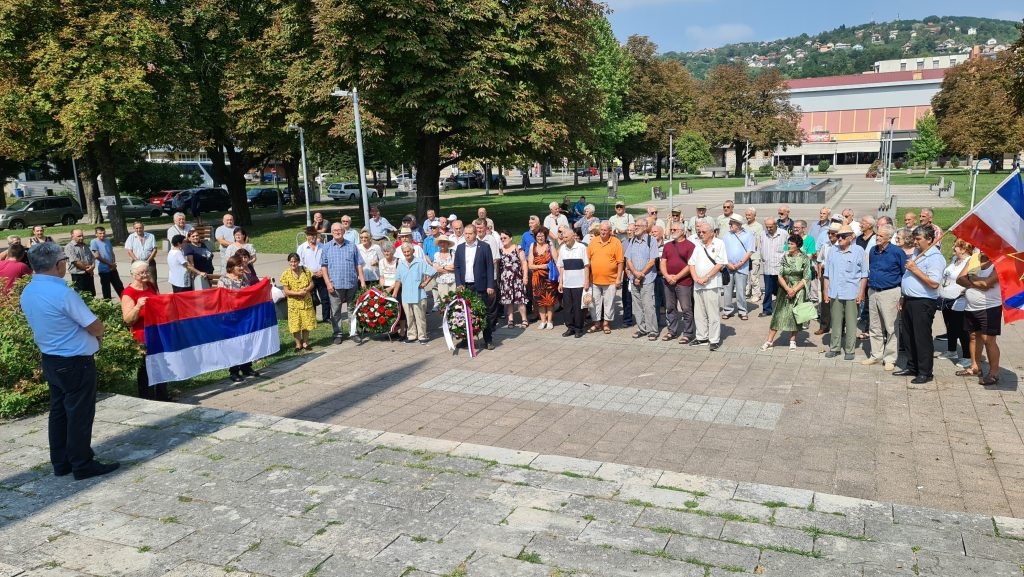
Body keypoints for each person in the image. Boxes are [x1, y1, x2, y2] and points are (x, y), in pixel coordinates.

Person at [22, 242, 118, 480]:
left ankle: (61, 462)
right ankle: (82, 463)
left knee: (59, 412)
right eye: (64, 261)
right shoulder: (62, 293)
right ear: (58, 265)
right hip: (75, 361)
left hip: (51, 358)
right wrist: (99, 335)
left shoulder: (29, 290)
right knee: (79, 414)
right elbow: (94, 325)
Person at [893, 226, 945, 384]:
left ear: (929, 239)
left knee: (921, 337)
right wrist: (904, 295)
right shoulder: (917, 252)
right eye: (914, 239)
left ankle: (925, 372)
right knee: (908, 336)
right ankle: (912, 366)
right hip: (909, 299)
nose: (915, 242)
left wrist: (915, 270)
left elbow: (934, 283)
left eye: (918, 239)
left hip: (923, 301)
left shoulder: (935, 258)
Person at [121, 260, 171, 401]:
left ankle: (162, 396)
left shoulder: (150, 285)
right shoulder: (128, 293)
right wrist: (138, 306)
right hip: (141, 336)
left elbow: (158, 303)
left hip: (156, 332)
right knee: (146, 368)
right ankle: (146, 398)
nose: (145, 275)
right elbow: (128, 320)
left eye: (147, 271)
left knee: (161, 364)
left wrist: (165, 300)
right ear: (133, 274)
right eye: (142, 273)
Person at [861, 224, 906, 370]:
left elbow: (904, 274)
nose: (877, 238)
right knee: (874, 326)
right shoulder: (873, 250)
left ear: (889, 237)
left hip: (890, 292)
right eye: (877, 235)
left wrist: (902, 296)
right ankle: (876, 355)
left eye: (881, 235)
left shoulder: (897, 252)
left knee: (891, 327)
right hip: (873, 291)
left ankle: (890, 358)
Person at [759, 233, 812, 351]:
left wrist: (794, 290)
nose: (789, 245)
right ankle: (769, 341)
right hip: (784, 289)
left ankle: (793, 341)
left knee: (795, 315)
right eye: (788, 243)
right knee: (778, 315)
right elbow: (780, 275)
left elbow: (806, 277)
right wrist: (788, 289)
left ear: (798, 245)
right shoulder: (785, 257)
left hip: (799, 290)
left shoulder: (804, 258)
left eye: (791, 243)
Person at [956, 251, 1002, 385]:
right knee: (973, 337)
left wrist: (970, 278)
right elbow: (959, 279)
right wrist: (977, 281)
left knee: (988, 340)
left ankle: (994, 373)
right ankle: (975, 367)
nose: (982, 249)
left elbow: (987, 283)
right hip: (971, 307)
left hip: (990, 307)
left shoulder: (999, 262)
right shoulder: (974, 259)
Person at [823, 225, 867, 360]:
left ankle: (850, 350)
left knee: (851, 323)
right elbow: (827, 274)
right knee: (836, 322)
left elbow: (864, 275)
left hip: (852, 292)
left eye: (842, 236)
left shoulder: (859, 250)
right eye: (838, 236)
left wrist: (861, 293)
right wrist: (825, 291)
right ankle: (834, 348)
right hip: (835, 292)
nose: (839, 239)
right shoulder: (833, 250)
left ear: (850, 237)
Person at [321, 222, 366, 345]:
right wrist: (328, 283)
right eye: (335, 230)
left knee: (353, 310)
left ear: (344, 231)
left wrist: (362, 281)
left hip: (351, 284)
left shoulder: (352, 246)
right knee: (336, 311)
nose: (337, 232)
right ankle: (338, 334)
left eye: (339, 230)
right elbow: (324, 267)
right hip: (334, 285)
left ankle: (353, 333)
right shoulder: (326, 247)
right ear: (331, 232)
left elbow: (358, 264)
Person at [454, 223, 498, 350]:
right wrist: (459, 283)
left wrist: (490, 285)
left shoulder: (484, 247)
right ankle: (466, 339)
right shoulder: (460, 248)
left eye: (470, 234)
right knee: (465, 313)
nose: (467, 236)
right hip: (465, 286)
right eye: (466, 234)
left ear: (475, 234)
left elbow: (490, 267)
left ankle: (488, 339)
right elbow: (457, 267)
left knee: (483, 313)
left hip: (480, 285)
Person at [218, 255, 261, 382]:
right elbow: (222, 299)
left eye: (243, 265)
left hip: (244, 315)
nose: (242, 268)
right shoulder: (223, 280)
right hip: (230, 317)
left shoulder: (244, 278)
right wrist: (238, 294)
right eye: (239, 266)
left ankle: (246, 367)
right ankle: (234, 371)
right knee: (234, 344)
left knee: (247, 341)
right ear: (231, 267)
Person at [687, 222, 726, 350]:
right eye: (699, 232)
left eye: (703, 232)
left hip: (712, 284)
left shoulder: (719, 243)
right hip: (698, 284)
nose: (701, 234)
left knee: (713, 313)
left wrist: (706, 277)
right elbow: (691, 263)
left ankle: (714, 339)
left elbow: (720, 264)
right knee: (699, 313)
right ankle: (701, 337)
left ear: (711, 233)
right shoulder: (698, 245)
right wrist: (695, 278)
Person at [938, 239, 973, 366]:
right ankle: (951, 350)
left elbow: (971, 279)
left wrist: (966, 290)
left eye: (956, 246)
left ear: (964, 249)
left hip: (959, 300)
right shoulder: (954, 259)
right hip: (946, 299)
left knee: (961, 329)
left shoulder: (970, 262)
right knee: (950, 326)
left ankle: (967, 356)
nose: (953, 247)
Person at [660, 221, 695, 343]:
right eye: (671, 230)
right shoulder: (668, 245)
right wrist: (667, 276)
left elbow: (690, 265)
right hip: (668, 281)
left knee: (686, 308)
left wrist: (677, 277)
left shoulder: (690, 246)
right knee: (670, 307)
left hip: (684, 282)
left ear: (683, 231)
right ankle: (672, 331)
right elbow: (663, 262)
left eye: (675, 230)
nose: (672, 231)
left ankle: (688, 333)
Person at [392, 243, 434, 344]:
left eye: (408, 251)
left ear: (413, 251)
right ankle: (412, 335)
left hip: (418, 294)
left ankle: (422, 336)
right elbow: (398, 280)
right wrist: (395, 293)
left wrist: (425, 282)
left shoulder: (420, 262)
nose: (407, 254)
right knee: (409, 317)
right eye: (405, 252)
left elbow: (432, 272)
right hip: (406, 295)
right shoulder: (401, 264)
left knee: (420, 317)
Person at [587, 222, 624, 335]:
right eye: (601, 230)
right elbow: (588, 260)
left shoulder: (616, 242)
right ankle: (597, 323)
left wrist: (618, 278)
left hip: (611, 280)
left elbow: (620, 262)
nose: (603, 232)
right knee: (594, 303)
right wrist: (587, 278)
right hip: (594, 279)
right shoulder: (593, 241)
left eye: (605, 230)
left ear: (610, 231)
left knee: (609, 303)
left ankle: (606, 324)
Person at [624, 219, 658, 340]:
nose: (636, 228)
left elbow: (652, 261)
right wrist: (635, 273)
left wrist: (641, 274)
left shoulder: (651, 240)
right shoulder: (632, 240)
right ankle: (641, 329)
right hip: (634, 279)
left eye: (638, 226)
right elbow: (628, 259)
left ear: (645, 227)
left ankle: (652, 330)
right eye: (635, 225)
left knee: (648, 305)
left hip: (647, 279)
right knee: (637, 306)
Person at [555, 224, 590, 338]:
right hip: (567, 283)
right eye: (563, 237)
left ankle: (579, 328)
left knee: (578, 307)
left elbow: (586, 265)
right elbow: (561, 266)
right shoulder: (563, 249)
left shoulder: (581, 247)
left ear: (573, 237)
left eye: (566, 237)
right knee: (568, 307)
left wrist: (586, 281)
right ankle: (570, 327)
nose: (564, 239)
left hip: (579, 283)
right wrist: (561, 282)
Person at [280, 252, 316, 352]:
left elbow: (312, 284)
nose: (293, 264)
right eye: (291, 262)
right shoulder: (286, 274)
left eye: (295, 261)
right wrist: (298, 293)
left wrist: (306, 290)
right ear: (288, 262)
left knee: (306, 322)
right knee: (295, 324)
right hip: (293, 304)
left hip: (306, 302)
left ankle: (305, 343)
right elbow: (286, 291)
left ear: (299, 261)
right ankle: (298, 344)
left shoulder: (306, 271)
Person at [720, 214, 754, 321]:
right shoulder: (726, 235)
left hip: (742, 267)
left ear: (738, 224)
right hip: (728, 267)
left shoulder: (748, 234)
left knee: (740, 290)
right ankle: (727, 310)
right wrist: (727, 264)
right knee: (727, 290)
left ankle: (742, 311)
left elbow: (750, 251)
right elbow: (722, 251)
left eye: (732, 223)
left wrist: (740, 263)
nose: (730, 225)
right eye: (730, 223)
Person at [528, 227, 558, 330]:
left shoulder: (550, 245)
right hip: (537, 278)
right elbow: (530, 265)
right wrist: (543, 266)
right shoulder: (533, 246)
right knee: (540, 301)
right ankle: (543, 321)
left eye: (542, 236)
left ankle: (550, 321)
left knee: (550, 300)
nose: (540, 238)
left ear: (545, 236)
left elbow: (556, 261)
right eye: (538, 236)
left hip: (549, 278)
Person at [498, 229, 529, 328]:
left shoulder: (517, 248)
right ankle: (510, 319)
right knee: (509, 300)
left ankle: (524, 319)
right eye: (501, 238)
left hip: (517, 279)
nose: (503, 239)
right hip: (505, 280)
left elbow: (524, 263)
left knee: (520, 300)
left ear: (510, 238)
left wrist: (525, 276)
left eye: (505, 237)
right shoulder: (500, 250)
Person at [298, 226, 330, 322]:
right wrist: (311, 273)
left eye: (314, 235)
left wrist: (322, 271)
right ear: (306, 236)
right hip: (309, 277)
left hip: (322, 275)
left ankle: (326, 317)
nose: (313, 237)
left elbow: (327, 260)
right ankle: (313, 318)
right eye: (310, 235)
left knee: (325, 297)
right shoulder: (302, 248)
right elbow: (300, 263)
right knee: (312, 298)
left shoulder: (322, 246)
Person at [759, 217, 787, 317]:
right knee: (768, 290)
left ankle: (781, 309)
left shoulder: (784, 234)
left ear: (776, 225)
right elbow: (760, 247)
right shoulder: (763, 234)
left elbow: (788, 248)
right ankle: (767, 309)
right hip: (767, 267)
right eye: (767, 227)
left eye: (771, 227)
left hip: (780, 267)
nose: (769, 229)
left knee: (781, 290)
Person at [90, 227, 123, 300]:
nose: (102, 235)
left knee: (119, 287)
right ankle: (108, 304)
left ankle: (125, 302)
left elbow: (112, 253)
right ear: (96, 234)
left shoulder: (107, 241)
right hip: (103, 270)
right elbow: (97, 256)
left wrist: (113, 263)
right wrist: (109, 264)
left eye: (103, 233)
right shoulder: (94, 242)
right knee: (106, 289)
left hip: (112, 268)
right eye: (100, 233)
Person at [64, 229, 96, 295]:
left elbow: (92, 258)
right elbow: (76, 262)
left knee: (91, 295)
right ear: (72, 236)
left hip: (89, 274)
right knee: (81, 296)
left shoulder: (84, 245)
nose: (81, 238)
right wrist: (88, 269)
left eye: (82, 235)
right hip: (78, 276)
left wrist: (93, 266)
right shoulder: (69, 247)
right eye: (79, 236)